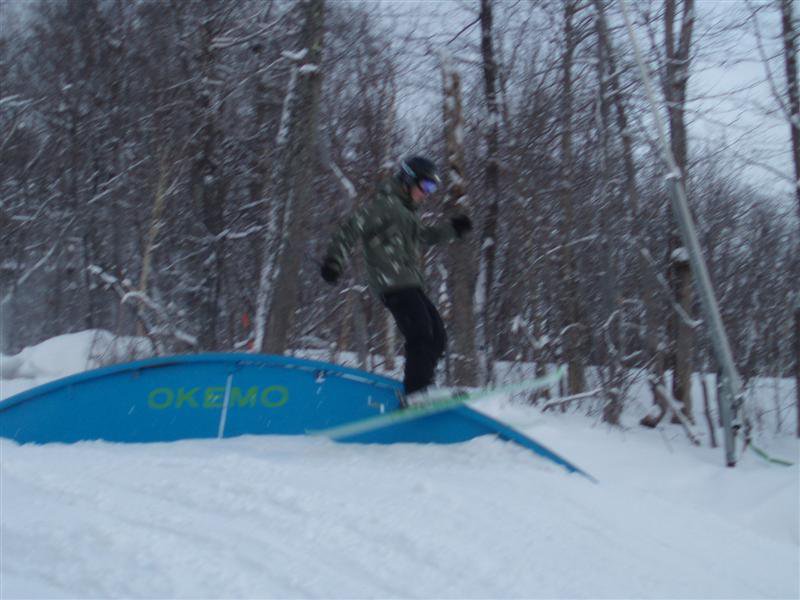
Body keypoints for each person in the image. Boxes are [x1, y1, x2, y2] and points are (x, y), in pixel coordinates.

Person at [320, 156, 472, 406]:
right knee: (421, 331)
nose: (427, 194)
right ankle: (416, 392)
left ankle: (424, 387)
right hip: (391, 282)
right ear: (408, 180)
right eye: (426, 186)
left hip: (410, 281)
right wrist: (333, 262)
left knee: (438, 336)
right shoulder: (384, 206)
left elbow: (424, 235)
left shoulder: (407, 214)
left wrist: (453, 230)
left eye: (432, 189)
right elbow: (351, 227)